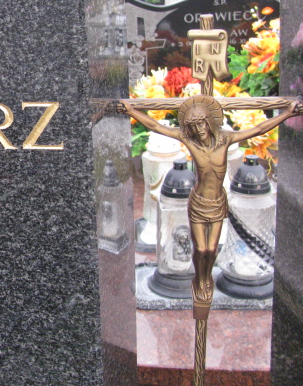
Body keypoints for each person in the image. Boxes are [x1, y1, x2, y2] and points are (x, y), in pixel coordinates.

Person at [117, 95, 303, 318]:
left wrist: (287, 114)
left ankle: (206, 278)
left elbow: (259, 129)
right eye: (194, 126)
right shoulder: (190, 141)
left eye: (202, 124)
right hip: (198, 203)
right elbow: (157, 126)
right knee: (201, 249)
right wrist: (131, 111)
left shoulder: (225, 139)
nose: (199, 129)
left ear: (209, 123)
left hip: (217, 203)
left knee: (212, 250)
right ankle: (201, 279)